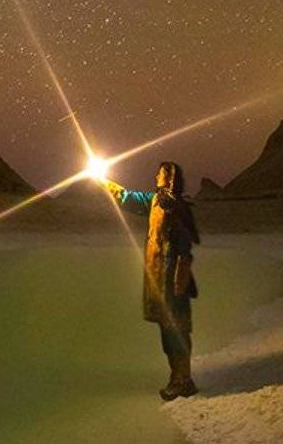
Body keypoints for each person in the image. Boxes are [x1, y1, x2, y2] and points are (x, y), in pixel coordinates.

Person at [104, 161, 201, 400]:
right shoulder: (155, 201)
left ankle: (182, 380)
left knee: (176, 330)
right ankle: (178, 378)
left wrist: (179, 280)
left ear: (169, 178)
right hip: (159, 277)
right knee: (167, 331)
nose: (156, 176)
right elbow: (127, 198)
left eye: (160, 173)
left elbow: (184, 246)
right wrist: (105, 183)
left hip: (173, 281)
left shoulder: (176, 207)